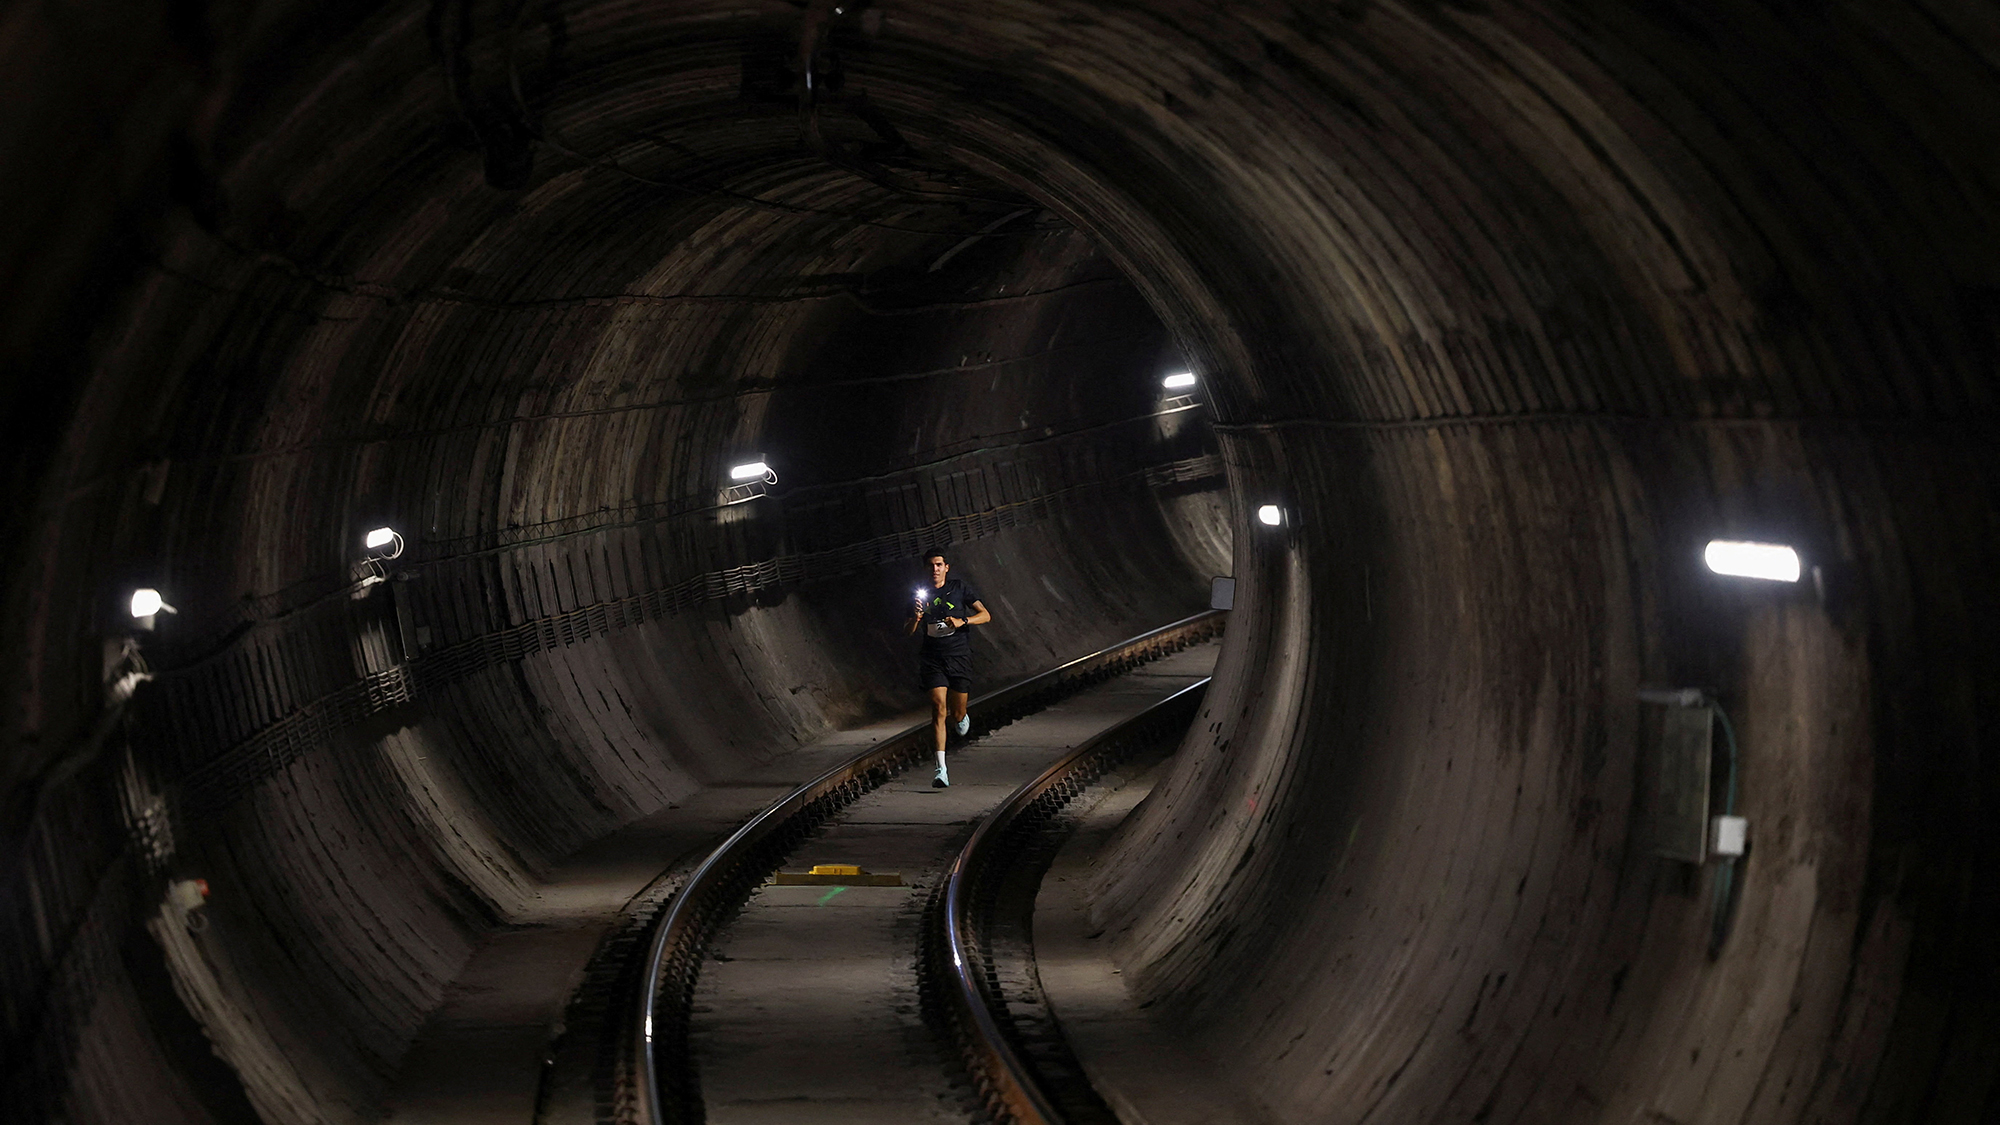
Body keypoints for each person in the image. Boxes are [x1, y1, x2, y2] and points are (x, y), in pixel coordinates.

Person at [906, 549, 992, 787]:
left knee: (956, 713)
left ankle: (962, 716)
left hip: (958, 655)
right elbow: (907, 631)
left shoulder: (959, 588)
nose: (935, 569)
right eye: (931, 565)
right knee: (937, 707)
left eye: (939, 565)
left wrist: (963, 621)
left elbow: (985, 615)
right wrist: (915, 617)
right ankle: (940, 770)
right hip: (933, 658)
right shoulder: (919, 595)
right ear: (926, 569)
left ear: (946, 567)